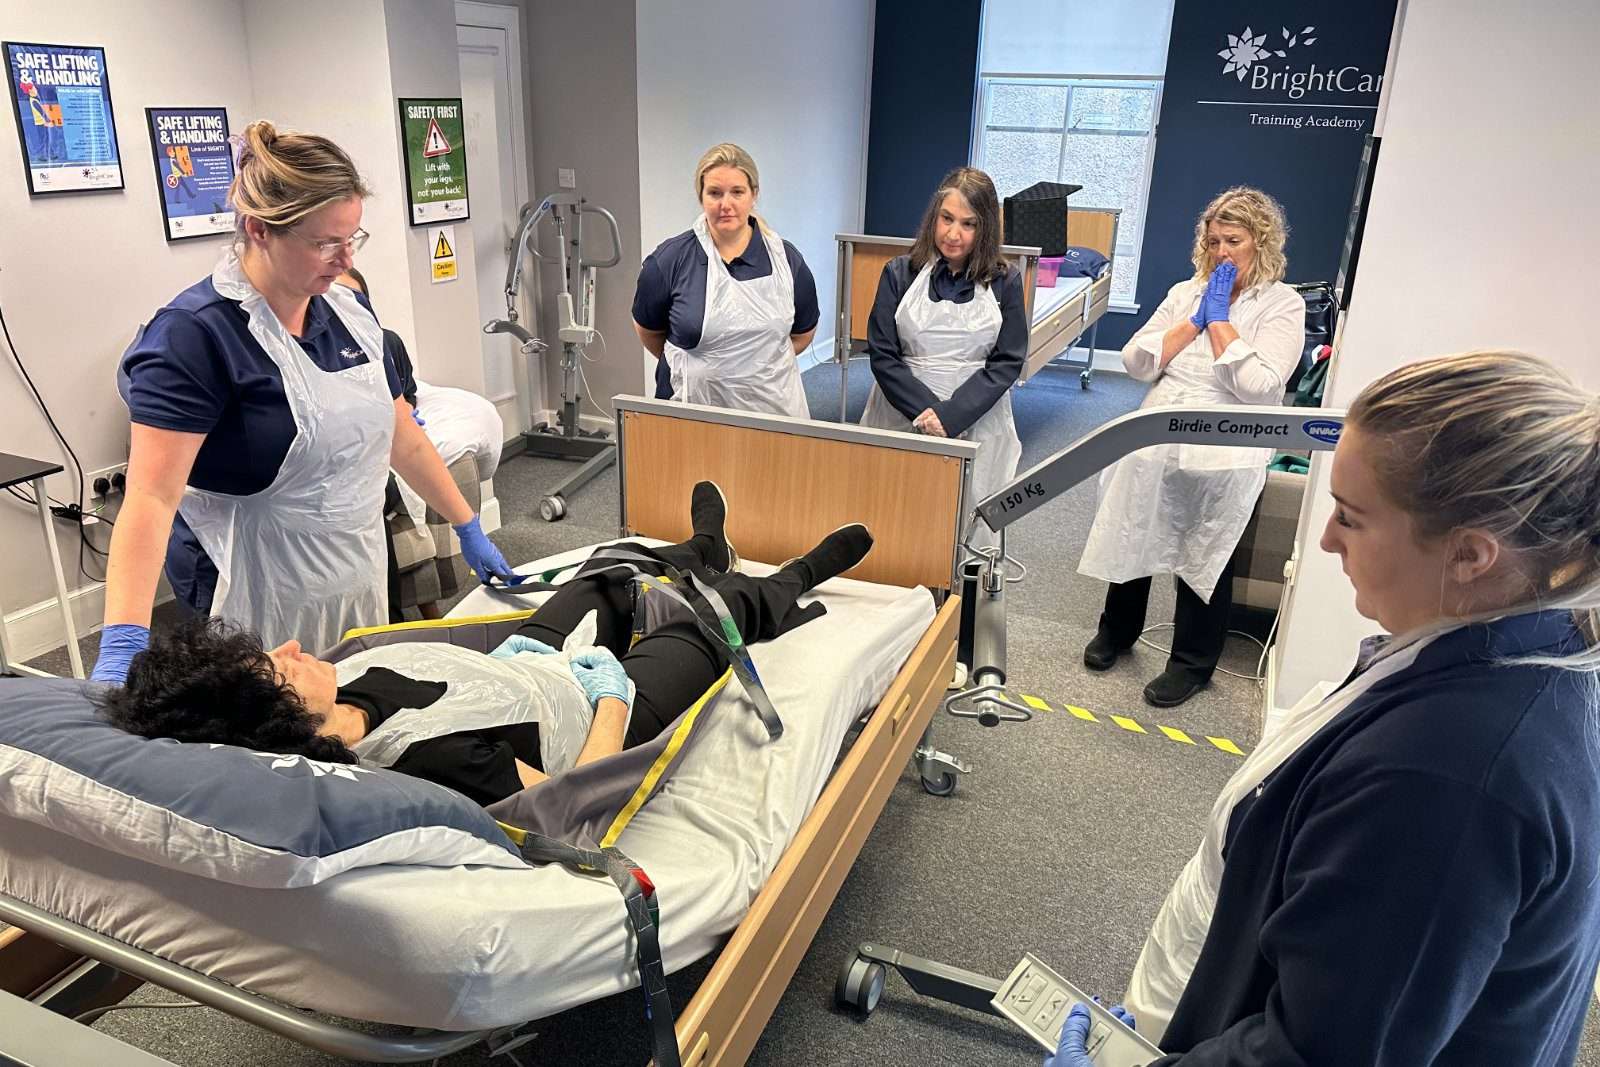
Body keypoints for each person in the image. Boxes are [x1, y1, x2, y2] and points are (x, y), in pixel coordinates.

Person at [1049, 351, 1600, 1066]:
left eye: (1351, 516)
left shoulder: (1445, 778)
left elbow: (1313, 1055)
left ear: (1469, 555)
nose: (1326, 538)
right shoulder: (1527, 648)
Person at [97, 482, 875, 807]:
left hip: (519, 671)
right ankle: (794, 577)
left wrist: (516, 658)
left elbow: (449, 680)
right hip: (591, 710)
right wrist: (610, 697)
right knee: (713, 619)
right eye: (279, 667)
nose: (296, 646)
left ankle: (705, 547)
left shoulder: (346, 674)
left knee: (613, 570)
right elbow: (575, 803)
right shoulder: (422, 762)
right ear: (272, 717)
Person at [93, 120, 519, 684]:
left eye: (353, 237)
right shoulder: (194, 336)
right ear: (259, 229)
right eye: (325, 243)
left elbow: (401, 434)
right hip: (248, 588)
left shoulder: (349, 314)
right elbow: (150, 497)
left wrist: (467, 525)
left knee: (354, 706)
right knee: (265, 722)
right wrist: (124, 638)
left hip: (353, 571)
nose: (345, 259)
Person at [1079, 187, 1306, 708]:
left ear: (1261, 242)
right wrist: (1195, 319)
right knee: (1135, 526)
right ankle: (1117, 631)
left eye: (1234, 241)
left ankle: (1192, 663)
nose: (1221, 252)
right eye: (1214, 241)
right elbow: (1137, 363)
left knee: (1207, 549)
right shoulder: (1186, 292)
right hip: (1159, 424)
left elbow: (1260, 388)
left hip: (1228, 437)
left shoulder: (1282, 304)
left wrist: (1221, 320)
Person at [858, 166, 1025, 545]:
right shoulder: (899, 273)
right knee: (896, 514)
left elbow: (1007, 361)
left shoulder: (1005, 281)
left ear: (986, 228)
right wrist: (926, 412)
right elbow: (883, 353)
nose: (953, 234)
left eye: (968, 224)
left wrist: (951, 416)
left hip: (977, 418)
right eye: (946, 219)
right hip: (900, 413)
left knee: (966, 523)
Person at [632, 142, 819, 417]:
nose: (726, 205)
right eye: (715, 193)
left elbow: (803, 332)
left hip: (771, 411)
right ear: (701, 197)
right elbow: (648, 330)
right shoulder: (670, 261)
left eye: (737, 192)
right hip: (692, 411)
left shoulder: (786, 260)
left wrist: (752, 370)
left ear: (754, 195)